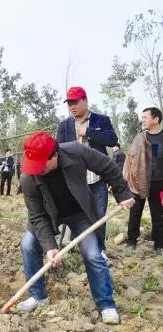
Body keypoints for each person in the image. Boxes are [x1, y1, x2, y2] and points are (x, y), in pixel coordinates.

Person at [17, 132, 134, 324]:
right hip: (46, 214)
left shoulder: (75, 151)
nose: (36, 170)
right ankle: (38, 296)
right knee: (28, 245)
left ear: (54, 155)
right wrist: (50, 247)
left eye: (41, 164)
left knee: (93, 254)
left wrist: (122, 193)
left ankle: (106, 304)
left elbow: (107, 166)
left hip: (79, 211)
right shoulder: (28, 176)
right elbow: (37, 216)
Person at [56, 86, 118, 251]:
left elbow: (112, 140)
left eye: (75, 102)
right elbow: (59, 151)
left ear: (85, 100)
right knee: (74, 215)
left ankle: (99, 251)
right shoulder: (64, 126)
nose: (72, 107)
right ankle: (73, 247)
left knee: (98, 217)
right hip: (75, 182)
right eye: (69, 104)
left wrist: (89, 132)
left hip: (97, 180)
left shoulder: (101, 120)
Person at [124, 107, 163, 255]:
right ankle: (131, 241)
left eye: (145, 117)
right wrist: (126, 179)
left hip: (159, 182)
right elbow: (130, 158)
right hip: (139, 181)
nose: (143, 120)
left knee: (158, 213)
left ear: (156, 119)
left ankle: (159, 244)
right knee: (135, 212)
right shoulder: (139, 137)